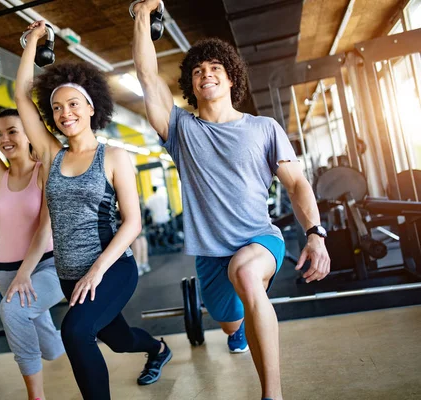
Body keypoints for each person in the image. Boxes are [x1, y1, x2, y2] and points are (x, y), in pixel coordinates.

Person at [132, 2, 331, 399]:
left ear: (230, 79)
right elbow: (146, 74)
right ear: (192, 85)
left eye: (215, 69)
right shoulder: (181, 130)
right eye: (198, 71)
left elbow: (296, 184)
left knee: (244, 271)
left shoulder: (264, 128)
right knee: (226, 319)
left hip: (260, 239)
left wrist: (316, 233)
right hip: (210, 254)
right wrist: (141, 15)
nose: (206, 74)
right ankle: (236, 328)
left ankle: (271, 394)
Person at [15, 20, 172, 399]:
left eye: (72, 104)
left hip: (111, 269)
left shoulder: (114, 157)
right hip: (71, 275)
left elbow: (132, 223)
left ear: (90, 106)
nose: (64, 113)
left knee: (75, 331)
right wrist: (32, 43)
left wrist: (97, 272)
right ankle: (158, 349)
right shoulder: (52, 155)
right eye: (56, 107)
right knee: (118, 340)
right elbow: (22, 96)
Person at [0, 47, 65, 400]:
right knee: (46, 342)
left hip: (47, 266)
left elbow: (45, 227)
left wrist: (26, 271)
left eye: (12, 131)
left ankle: (35, 397)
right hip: (6, 271)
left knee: (11, 312)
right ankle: (55, 348)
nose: (4, 140)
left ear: (28, 133)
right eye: (0, 135)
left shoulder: (46, 170)